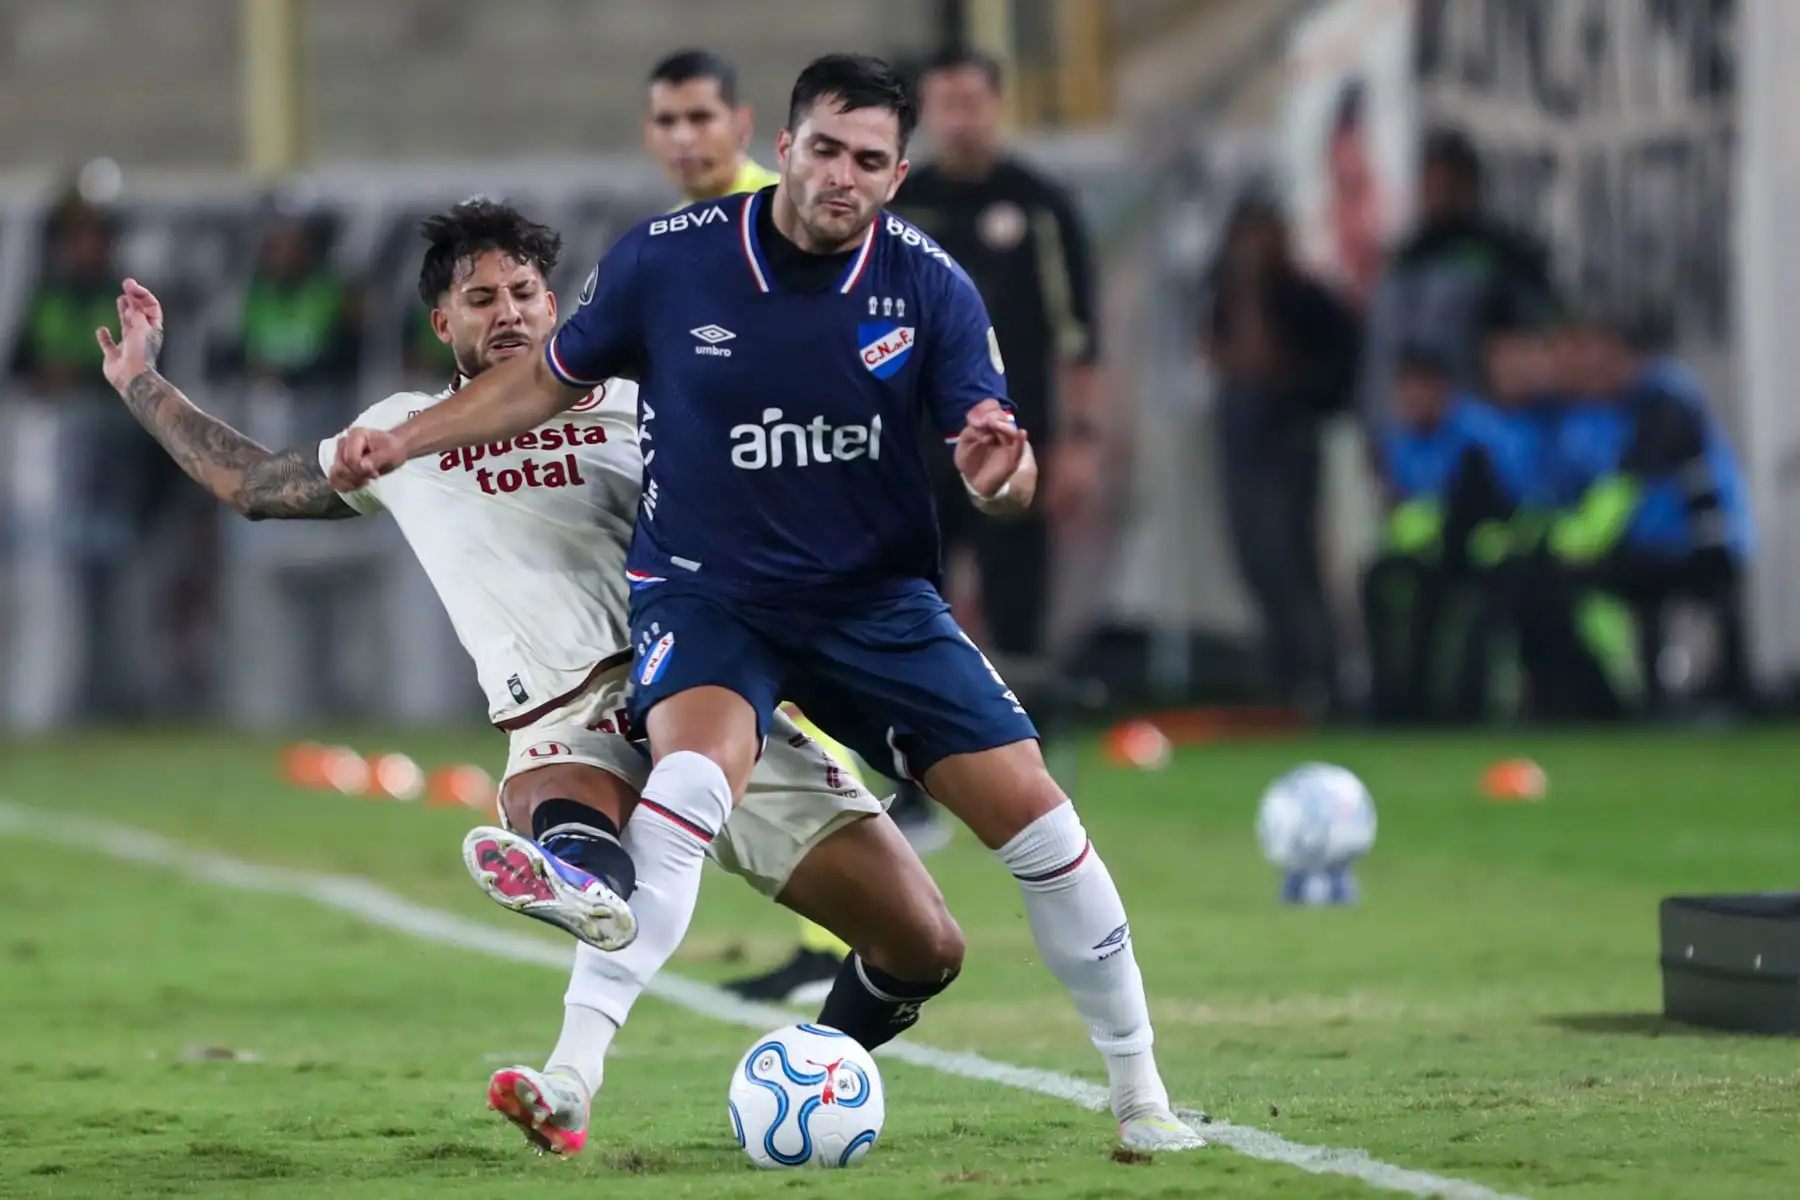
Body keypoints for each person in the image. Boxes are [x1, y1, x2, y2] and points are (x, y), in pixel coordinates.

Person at [332, 53, 1203, 1153]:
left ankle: (1141, 1100)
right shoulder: (667, 260)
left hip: (873, 602)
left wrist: (1002, 475)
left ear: (897, 174)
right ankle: (569, 1077)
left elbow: (1004, 463)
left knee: (1041, 825)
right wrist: (405, 439)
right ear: (783, 146)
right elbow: (550, 372)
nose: (844, 176)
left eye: (872, 161)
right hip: (710, 595)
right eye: (827, 149)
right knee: (691, 782)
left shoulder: (930, 284)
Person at [95, 200, 965, 1158]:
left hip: (709, 696)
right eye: (480, 298)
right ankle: (572, 876)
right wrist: (143, 382)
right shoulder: (402, 435)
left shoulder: (646, 403)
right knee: (580, 827)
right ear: (443, 325)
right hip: (564, 719)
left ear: (555, 305)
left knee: (923, 947)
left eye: (523, 292)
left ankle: (812, 1063)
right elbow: (256, 486)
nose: (507, 312)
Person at [643, 46, 904, 1006]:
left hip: (808, 525)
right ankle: (832, 931)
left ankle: (851, 928)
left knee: (795, 722)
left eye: (700, 118)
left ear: (746, 128)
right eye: (667, 122)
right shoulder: (677, 237)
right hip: (727, 528)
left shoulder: (786, 216)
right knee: (769, 728)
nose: (684, 139)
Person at [891, 45, 1106, 658]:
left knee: (1015, 607)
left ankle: (1016, 736)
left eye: (971, 103)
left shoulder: (1040, 205)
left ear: (997, 106)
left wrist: (1082, 440)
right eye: (945, 105)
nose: (960, 120)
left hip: (1014, 435)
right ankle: (919, 739)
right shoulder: (903, 206)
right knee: (910, 599)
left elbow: (1079, 336)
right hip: (915, 439)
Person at [1516, 318, 1753, 717]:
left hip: (1704, 540)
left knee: (1637, 589)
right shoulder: (1604, 409)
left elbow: (1626, 486)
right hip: (1652, 543)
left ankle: (1713, 698)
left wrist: (1573, 544)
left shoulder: (1665, 400)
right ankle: (1617, 698)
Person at [1203, 196, 1359, 715]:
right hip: (1240, 446)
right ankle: (1282, 681)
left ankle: (1318, 682)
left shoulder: (1305, 299)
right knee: (1255, 565)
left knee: (1290, 565)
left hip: (1287, 446)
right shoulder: (1224, 295)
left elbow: (1329, 372)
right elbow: (1221, 355)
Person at [1357, 128, 1559, 431]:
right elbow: (1378, 357)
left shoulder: (1503, 254)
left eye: (1448, 180)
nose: (1438, 191)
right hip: (1403, 435)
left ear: (1470, 185)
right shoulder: (1402, 259)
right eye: (1430, 180)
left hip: (1480, 431)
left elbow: (1535, 341)